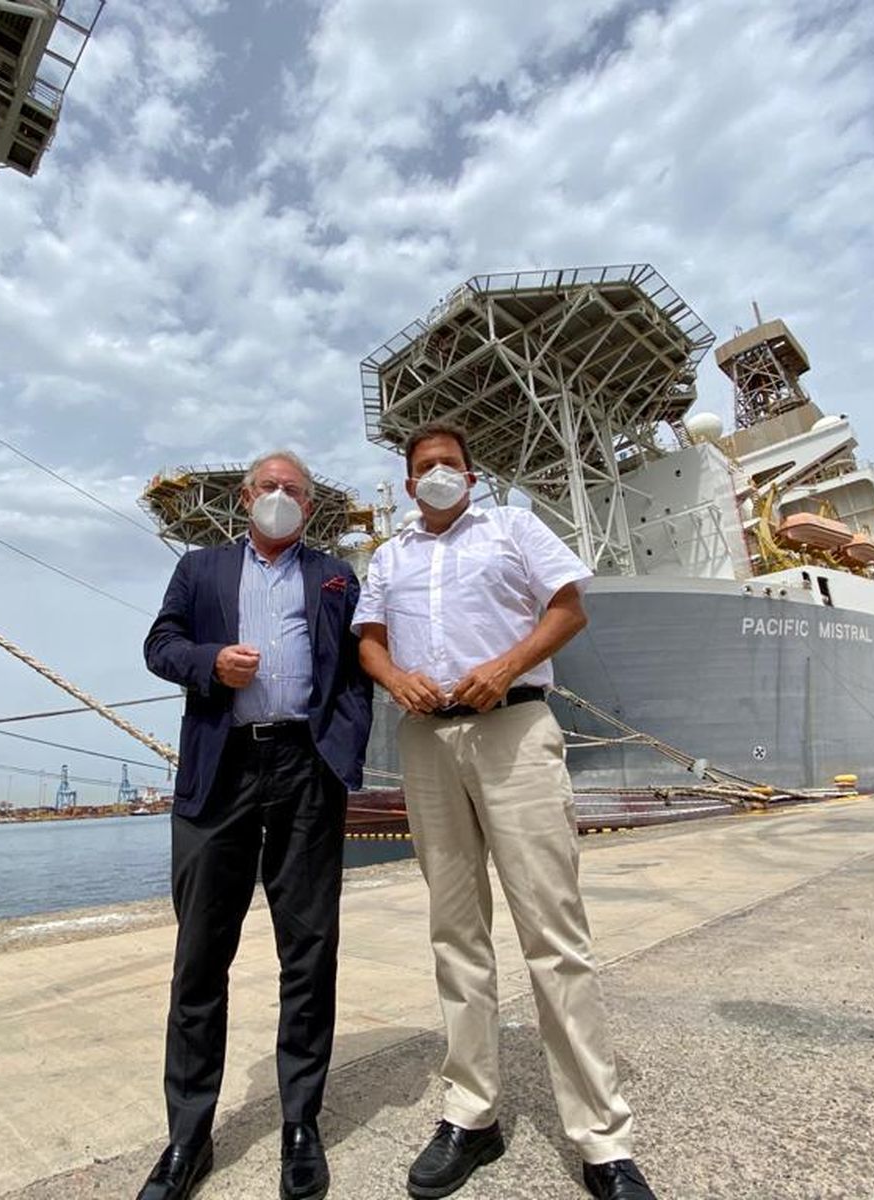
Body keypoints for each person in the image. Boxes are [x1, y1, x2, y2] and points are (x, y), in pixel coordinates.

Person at [352, 422, 655, 1200]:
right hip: (427, 741)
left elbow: (568, 610)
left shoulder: (514, 527)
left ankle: (601, 1140)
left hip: (515, 729)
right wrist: (394, 681)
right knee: (456, 933)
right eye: (423, 468)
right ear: (408, 480)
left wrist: (506, 664)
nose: (437, 476)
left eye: (449, 464)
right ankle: (471, 1115)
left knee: (553, 934)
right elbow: (370, 641)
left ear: (473, 474)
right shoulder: (389, 556)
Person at [139, 450, 373, 1200]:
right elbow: (160, 646)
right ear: (246, 498)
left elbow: (360, 669)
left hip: (306, 769)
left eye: (293, 491)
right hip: (222, 770)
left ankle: (300, 1124)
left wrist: (344, 747)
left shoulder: (335, 574)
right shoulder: (200, 570)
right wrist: (211, 661)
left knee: (309, 950)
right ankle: (188, 1139)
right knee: (200, 958)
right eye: (269, 487)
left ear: (310, 506)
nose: (281, 497)